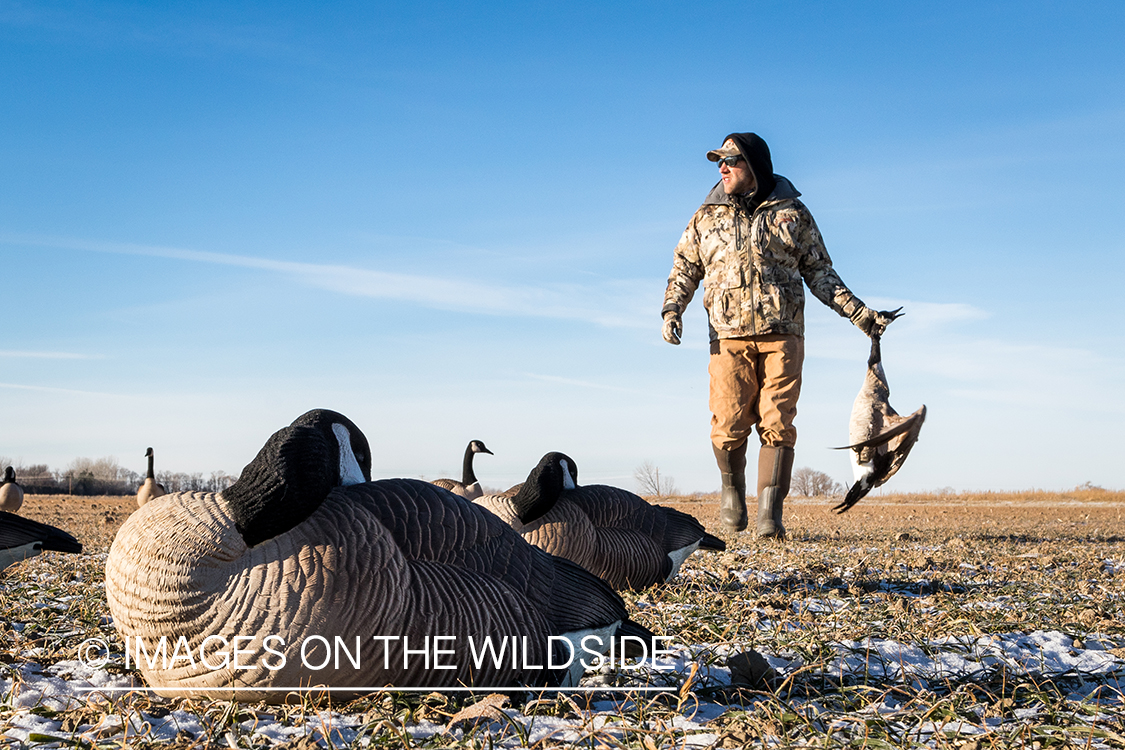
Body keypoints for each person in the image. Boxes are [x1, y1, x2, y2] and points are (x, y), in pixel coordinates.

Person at [661, 132, 897, 538]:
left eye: (731, 160)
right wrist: (672, 309)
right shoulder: (705, 217)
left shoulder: (793, 213)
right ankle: (732, 494)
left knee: (778, 421)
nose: (722, 167)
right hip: (727, 336)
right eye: (719, 161)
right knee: (729, 421)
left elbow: (820, 272)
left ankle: (770, 515)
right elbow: (685, 266)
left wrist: (860, 314)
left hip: (783, 334)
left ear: (754, 164)